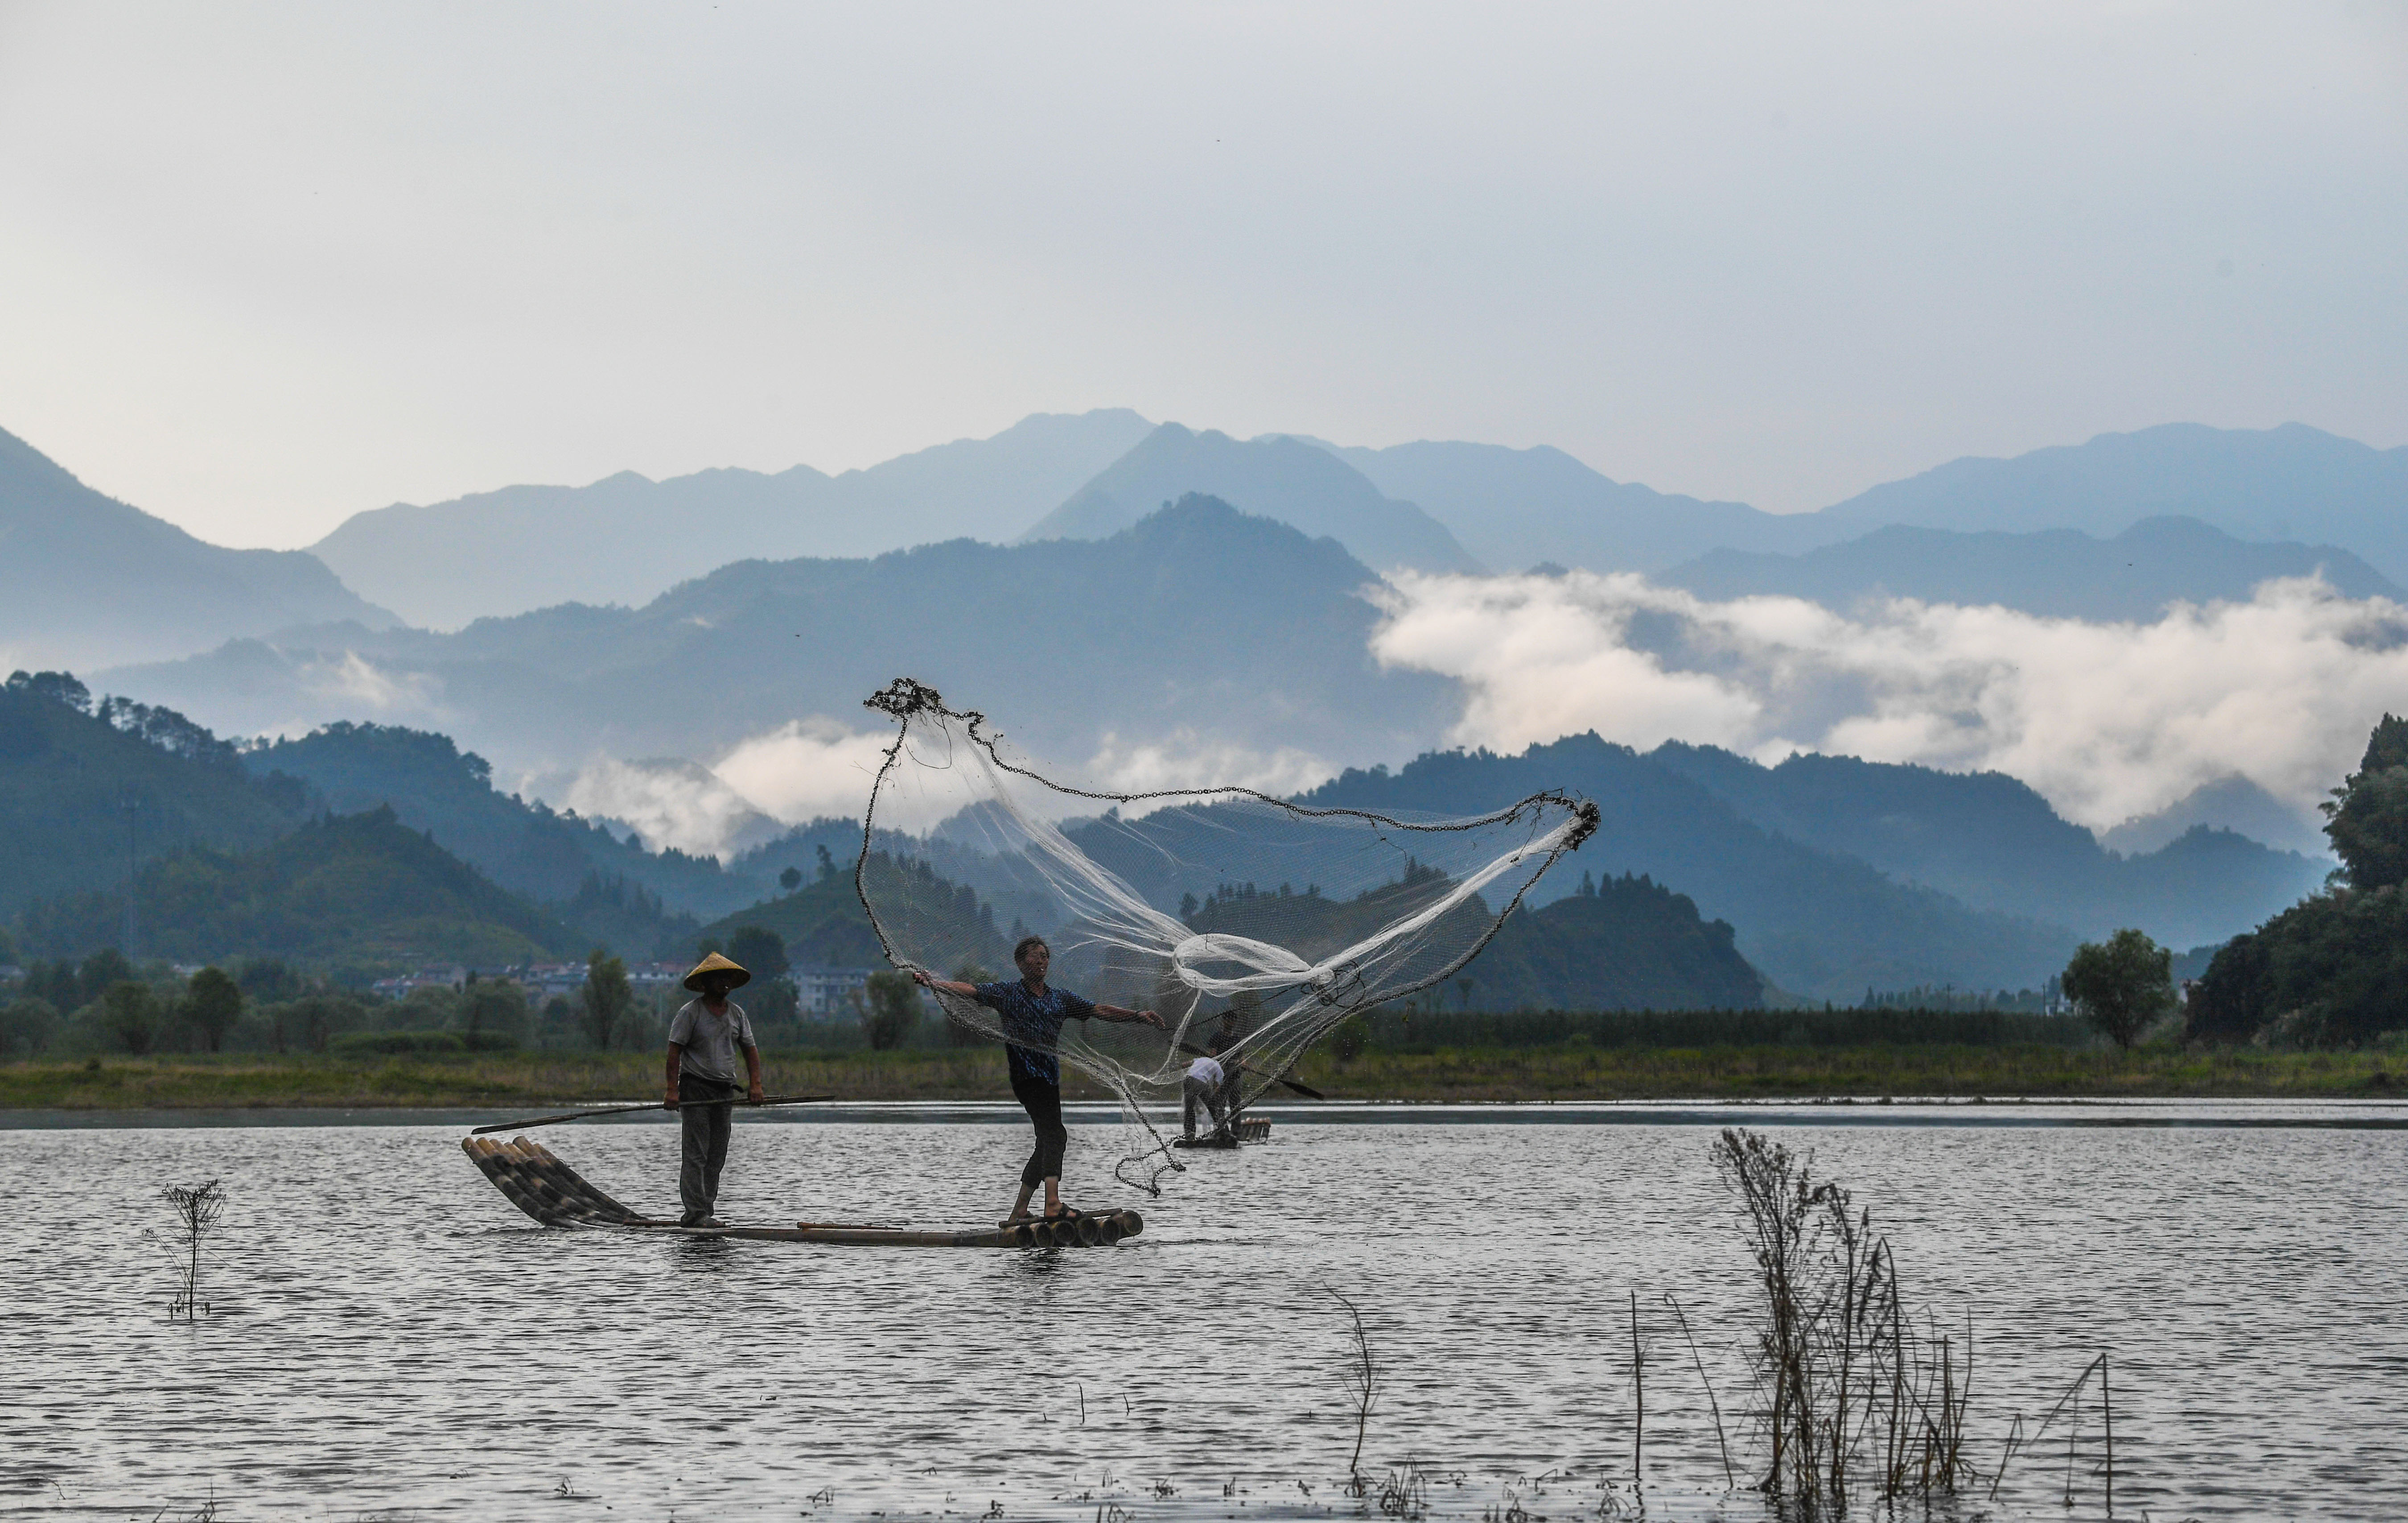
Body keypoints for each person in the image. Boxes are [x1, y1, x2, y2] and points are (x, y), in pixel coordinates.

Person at [914, 936, 1165, 1224]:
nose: (1041, 961)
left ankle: (1020, 1210)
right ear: (1021, 963)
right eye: (1034, 957)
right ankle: (1052, 1204)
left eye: (1045, 956)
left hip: (1048, 1077)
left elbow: (1098, 1010)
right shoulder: (1007, 993)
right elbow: (970, 990)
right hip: (1025, 1075)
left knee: (1046, 1140)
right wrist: (935, 983)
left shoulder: (1060, 999)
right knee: (1056, 1135)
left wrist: (1137, 1015)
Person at [664, 951, 766, 1227]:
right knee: (696, 1152)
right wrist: (672, 1091)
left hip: (724, 1090)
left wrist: (755, 1085)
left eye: (728, 980)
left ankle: (705, 1210)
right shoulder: (690, 1013)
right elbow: (674, 1053)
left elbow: (750, 1050)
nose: (724, 984)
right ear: (707, 983)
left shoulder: (737, 1014)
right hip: (696, 1088)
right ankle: (695, 1213)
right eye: (719, 979)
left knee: (717, 1153)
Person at [1183, 1043, 1232, 1142]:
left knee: (1189, 1109)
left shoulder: (1200, 1059)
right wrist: (1214, 1096)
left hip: (1187, 1080)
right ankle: (1224, 1133)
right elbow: (1217, 1087)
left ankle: (1190, 1135)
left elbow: (1184, 1065)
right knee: (1213, 1108)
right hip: (1200, 1083)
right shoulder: (1218, 1067)